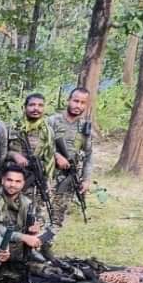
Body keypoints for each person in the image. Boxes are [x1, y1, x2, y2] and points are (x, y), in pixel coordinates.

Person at [47, 86, 94, 230]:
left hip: (68, 177)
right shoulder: (52, 121)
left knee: (58, 214)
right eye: (75, 101)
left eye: (82, 103)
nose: (78, 106)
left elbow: (89, 155)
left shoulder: (84, 128)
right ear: (68, 100)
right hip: (48, 174)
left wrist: (86, 180)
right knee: (40, 212)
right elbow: (40, 145)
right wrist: (56, 156)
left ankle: (47, 245)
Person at [0, 165, 48, 278]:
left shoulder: (27, 203)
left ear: (23, 183)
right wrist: (23, 237)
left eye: (17, 181)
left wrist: (36, 229)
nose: (13, 185)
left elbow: (40, 221)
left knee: (43, 268)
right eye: (9, 180)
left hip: (18, 248)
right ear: (2, 180)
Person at [5, 92, 56, 216]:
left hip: (35, 181)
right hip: (12, 181)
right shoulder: (12, 127)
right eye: (32, 105)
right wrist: (14, 155)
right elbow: (0, 152)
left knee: (33, 218)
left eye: (40, 105)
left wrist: (48, 180)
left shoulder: (47, 131)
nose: (36, 108)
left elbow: (50, 158)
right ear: (25, 107)